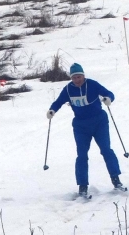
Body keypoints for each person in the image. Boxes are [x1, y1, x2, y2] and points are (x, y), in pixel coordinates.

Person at [46, 63, 124, 198]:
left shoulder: (92, 84)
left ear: (83, 76)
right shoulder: (68, 90)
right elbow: (58, 102)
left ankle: (116, 180)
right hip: (81, 126)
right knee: (82, 155)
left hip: (99, 122)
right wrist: (52, 110)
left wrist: (108, 99)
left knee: (106, 149)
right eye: (74, 77)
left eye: (79, 77)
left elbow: (109, 93)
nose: (77, 80)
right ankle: (83, 187)